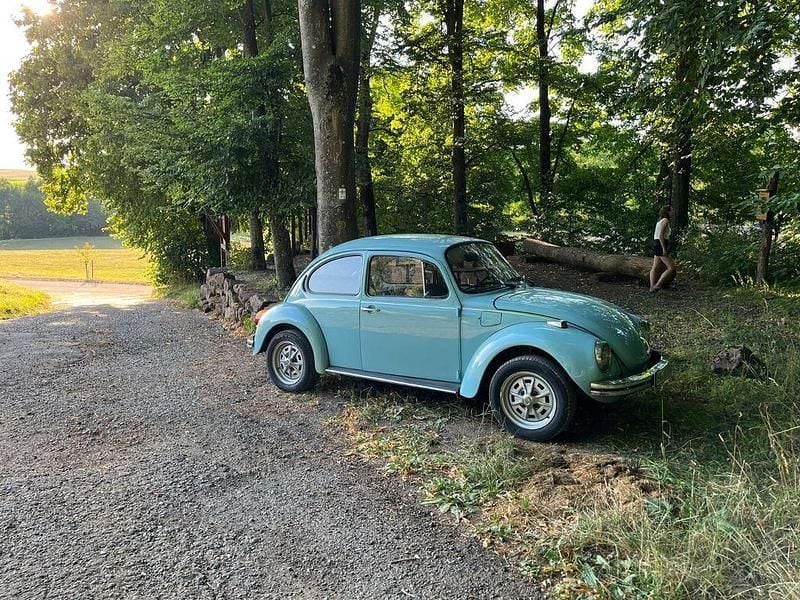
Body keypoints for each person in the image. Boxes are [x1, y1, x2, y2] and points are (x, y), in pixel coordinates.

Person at [649, 205, 676, 292]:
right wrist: (664, 248)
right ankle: (658, 285)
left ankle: (652, 286)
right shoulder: (665, 220)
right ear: (667, 212)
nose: (673, 212)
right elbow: (661, 235)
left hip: (657, 243)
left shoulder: (659, 221)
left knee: (655, 267)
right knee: (671, 268)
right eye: (671, 210)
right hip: (661, 243)